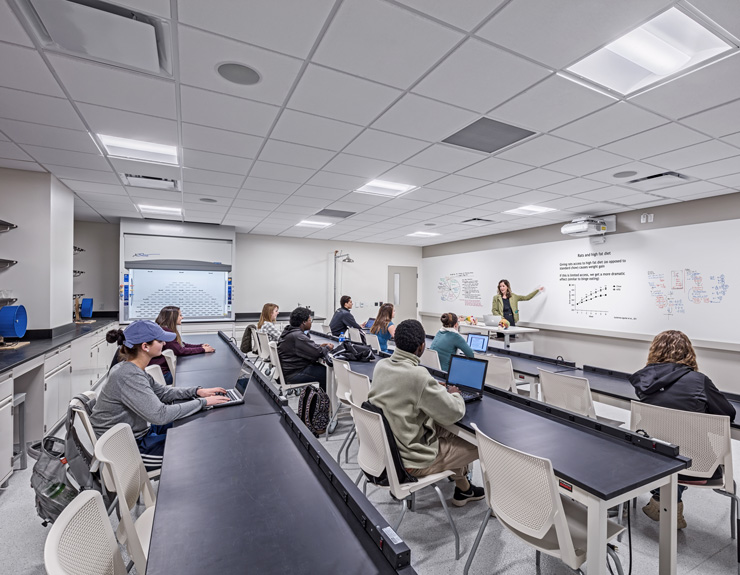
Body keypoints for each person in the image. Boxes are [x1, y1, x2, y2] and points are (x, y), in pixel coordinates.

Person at [368, 319, 485, 506]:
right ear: (422, 346)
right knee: (480, 443)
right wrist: (455, 395)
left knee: (447, 432)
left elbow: (407, 389)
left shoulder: (382, 366)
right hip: (412, 461)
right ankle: (496, 504)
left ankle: (464, 489)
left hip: (390, 449)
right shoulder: (418, 376)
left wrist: (431, 388)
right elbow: (453, 413)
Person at [629, 330, 736, 529]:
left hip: (650, 459)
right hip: (696, 466)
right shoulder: (698, 381)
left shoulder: (644, 380)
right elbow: (727, 414)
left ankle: (661, 501)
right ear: (688, 352)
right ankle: (667, 504)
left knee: (670, 444)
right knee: (683, 447)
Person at [90, 321, 229, 469]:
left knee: (195, 424)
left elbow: (162, 393)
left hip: (139, 432)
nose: (164, 343)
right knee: (196, 448)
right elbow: (160, 415)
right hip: (126, 449)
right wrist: (203, 402)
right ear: (145, 346)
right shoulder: (128, 375)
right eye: (160, 340)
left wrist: (197, 391)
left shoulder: (132, 368)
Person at [148, 306, 214, 385]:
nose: (182, 317)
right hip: (164, 376)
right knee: (194, 375)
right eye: (180, 315)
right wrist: (202, 350)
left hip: (162, 373)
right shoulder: (165, 332)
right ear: (173, 317)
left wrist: (201, 346)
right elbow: (180, 350)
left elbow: (181, 345)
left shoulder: (164, 329)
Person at [278, 307, 334, 391]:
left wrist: (320, 346)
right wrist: (327, 347)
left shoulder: (290, 331)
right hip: (293, 374)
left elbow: (307, 347)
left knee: (321, 368)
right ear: (303, 322)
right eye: (309, 320)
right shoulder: (298, 336)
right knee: (326, 372)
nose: (310, 322)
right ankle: (324, 401)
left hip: (288, 371)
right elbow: (317, 352)